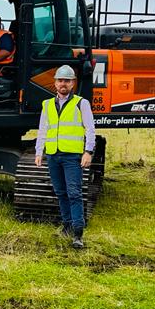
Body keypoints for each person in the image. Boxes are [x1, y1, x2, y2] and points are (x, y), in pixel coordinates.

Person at [34, 65, 96, 249]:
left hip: (72, 157)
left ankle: (78, 233)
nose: (63, 84)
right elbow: (43, 130)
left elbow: (90, 129)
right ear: (55, 83)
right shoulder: (47, 105)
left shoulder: (81, 103)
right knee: (61, 192)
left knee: (74, 193)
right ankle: (67, 225)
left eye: (67, 81)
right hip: (53, 155)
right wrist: (39, 152)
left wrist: (88, 151)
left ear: (72, 84)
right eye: (60, 80)